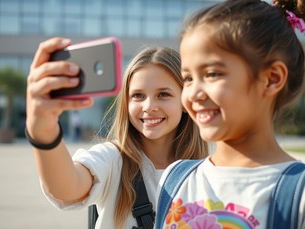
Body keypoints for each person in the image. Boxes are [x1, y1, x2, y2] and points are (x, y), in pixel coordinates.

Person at [156, 0, 305, 228]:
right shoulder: (175, 179)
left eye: (213, 73)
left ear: (272, 78)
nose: (193, 93)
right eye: (188, 78)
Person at [25, 39, 209, 228]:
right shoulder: (112, 159)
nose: (149, 106)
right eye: (138, 96)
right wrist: (44, 130)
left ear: (186, 101)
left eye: (163, 94)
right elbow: (65, 188)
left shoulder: (207, 171)